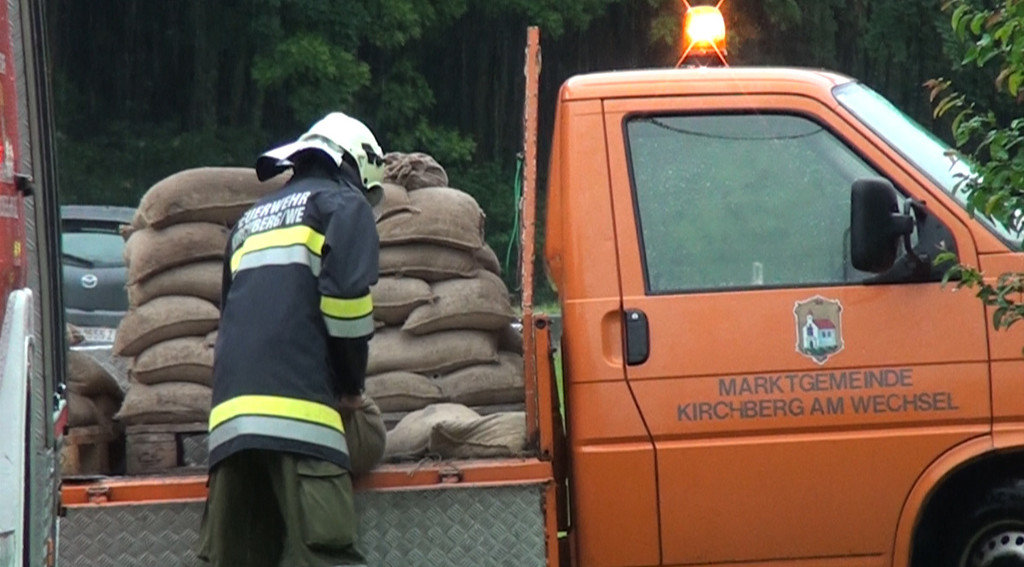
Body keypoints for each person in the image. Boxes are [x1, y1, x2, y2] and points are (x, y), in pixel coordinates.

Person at [198, 112, 386, 567]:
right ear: (358, 166)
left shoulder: (249, 221)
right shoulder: (343, 206)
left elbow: (231, 313)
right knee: (324, 555)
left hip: (231, 428)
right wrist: (351, 389)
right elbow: (346, 306)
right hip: (303, 421)